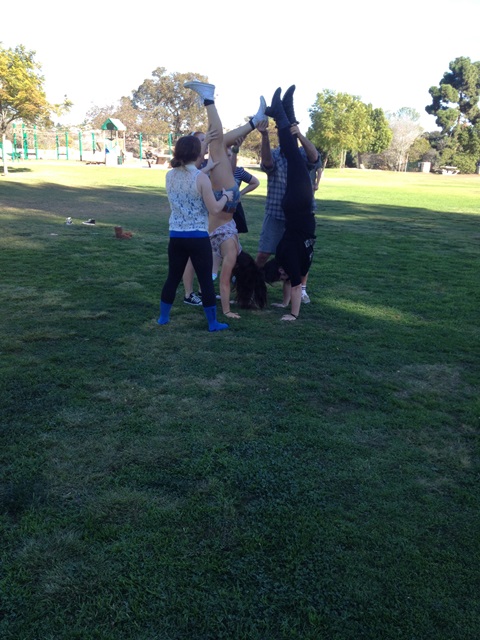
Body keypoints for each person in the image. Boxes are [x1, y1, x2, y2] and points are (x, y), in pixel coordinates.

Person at [184, 80, 267, 319]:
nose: (230, 272)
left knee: (218, 143)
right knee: (217, 146)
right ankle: (209, 99)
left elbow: (219, 279)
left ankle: (253, 121)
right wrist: (227, 311)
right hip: (224, 199)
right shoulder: (231, 251)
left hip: (225, 202)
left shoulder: (232, 250)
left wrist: (222, 300)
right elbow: (224, 282)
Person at [157, 134, 234, 332]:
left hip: (176, 235)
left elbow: (189, 176)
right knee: (205, 280)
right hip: (198, 237)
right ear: (197, 153)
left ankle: (163, 318)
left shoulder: (170, 175)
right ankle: (213, 323)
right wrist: (226, 197)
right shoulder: (201, 178)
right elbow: (214, 209)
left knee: (172, 278)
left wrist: (206, 169)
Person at [256, 87, 321, 305]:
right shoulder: (276, 154)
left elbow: (315, 158)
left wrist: (299, 134)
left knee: (299, 255)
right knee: (264, 254)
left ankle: (299, 291)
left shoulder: (301, 154)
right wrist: (265, 136)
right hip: (277, 213)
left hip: (300, 216)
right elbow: (267, 164)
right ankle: (253, 284)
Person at [182, 130, 216, 306]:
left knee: (204, 257)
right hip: (191, 221)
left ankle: (203, 291)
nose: (205, 143)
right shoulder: (191, 167)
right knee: (190, 258)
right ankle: (189, 294)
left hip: (203, 218)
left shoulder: (205, 163)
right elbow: (192, 176)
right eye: (201, 141)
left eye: (205, 140)